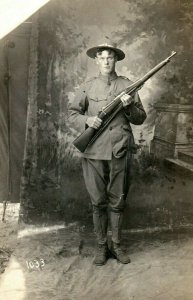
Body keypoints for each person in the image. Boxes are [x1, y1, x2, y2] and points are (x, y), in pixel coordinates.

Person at [68, 40, 146, 266]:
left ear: (116, 60)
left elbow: (140, 118)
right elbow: (73, 114)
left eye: (109, 57)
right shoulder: (87, 86)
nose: (105, 61)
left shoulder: (127, 85)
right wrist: (87, 119)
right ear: (96, 61)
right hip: (93, 150)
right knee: (97, 202)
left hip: (119, 149)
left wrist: (129, 105)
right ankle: (102, 247)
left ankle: (117, 245)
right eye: (101, 57)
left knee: (118, 201)